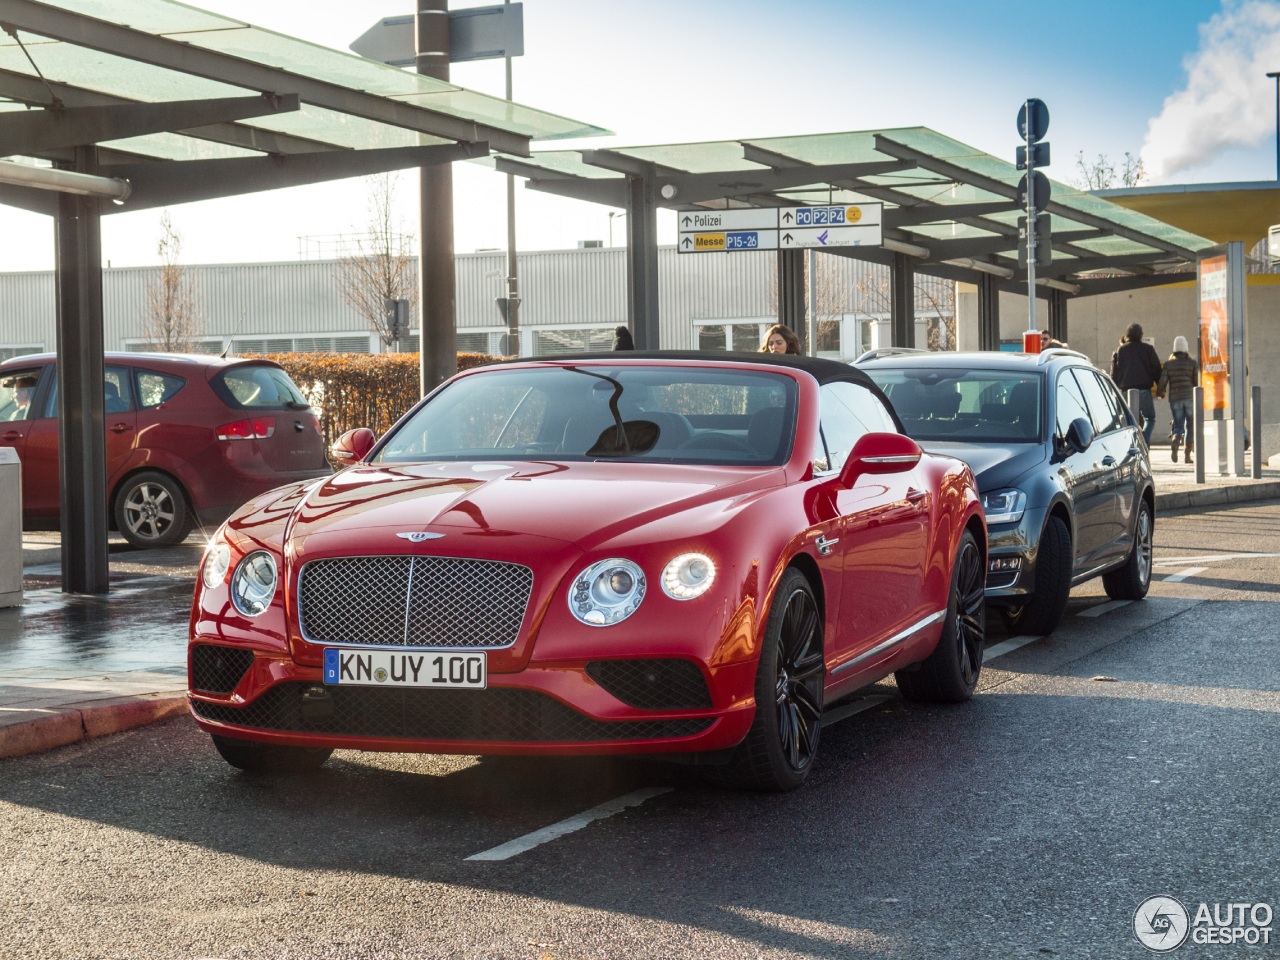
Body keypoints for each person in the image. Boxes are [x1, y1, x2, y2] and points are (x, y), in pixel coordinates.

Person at [1110, 323, 1163, 445]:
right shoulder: (1148, 349)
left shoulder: (1119, 350)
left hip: (1125, 391)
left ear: (1127, 335)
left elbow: (1113, 375)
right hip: (1144, 389)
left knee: (1128, 421)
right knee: (1149, 418)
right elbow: (1156, 370)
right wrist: (1161, 389)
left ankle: (1134, 443)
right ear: (1141, 335)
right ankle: (1143, 439)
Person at [1157, 335, 1198, 464]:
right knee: (1190, 425)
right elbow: (1196, 382)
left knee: (1178, 424)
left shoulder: (1169, 364)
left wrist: (1160, 393)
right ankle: (1187, 455)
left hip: (1175, 398)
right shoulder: (1192, 363)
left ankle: (1175, 441)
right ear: (1186, 348)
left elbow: (1163, 381)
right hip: (1190, 397)